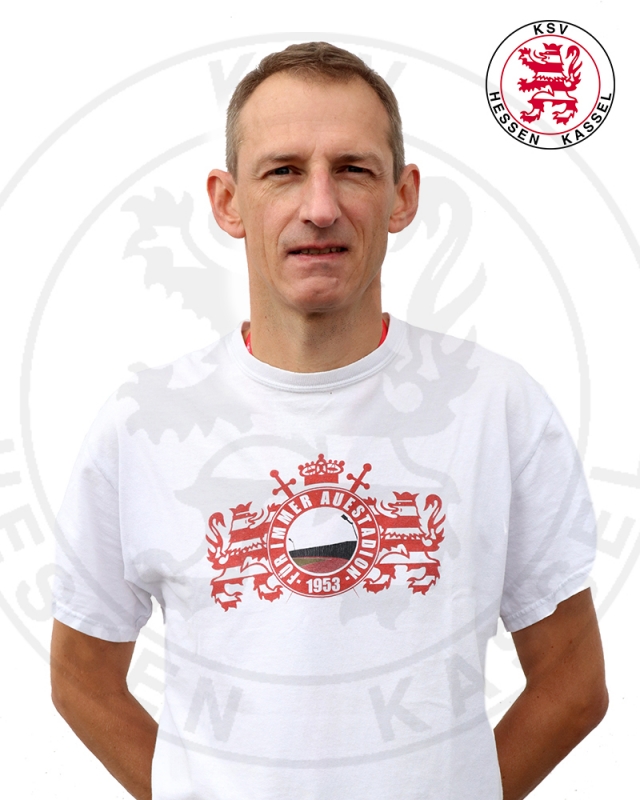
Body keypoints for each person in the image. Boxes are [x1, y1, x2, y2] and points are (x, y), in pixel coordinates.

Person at [50, 42, 607, 800]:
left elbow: (573, 683)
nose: (319, 207)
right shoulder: (143, 424)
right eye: (283, 171)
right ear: (227, 202)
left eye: (353, 169)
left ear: (402, 197)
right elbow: (81, 675)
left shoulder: (497, 407)